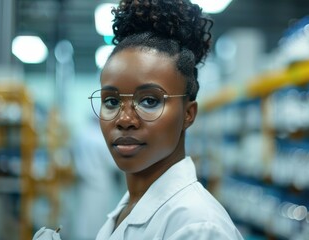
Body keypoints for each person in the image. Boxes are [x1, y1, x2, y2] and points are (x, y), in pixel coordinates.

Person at [91, 0, 244, 239]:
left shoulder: (198, 226)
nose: (124, 119)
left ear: (188, 114)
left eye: (149, 101)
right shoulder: (129, 207)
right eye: (111, 101)